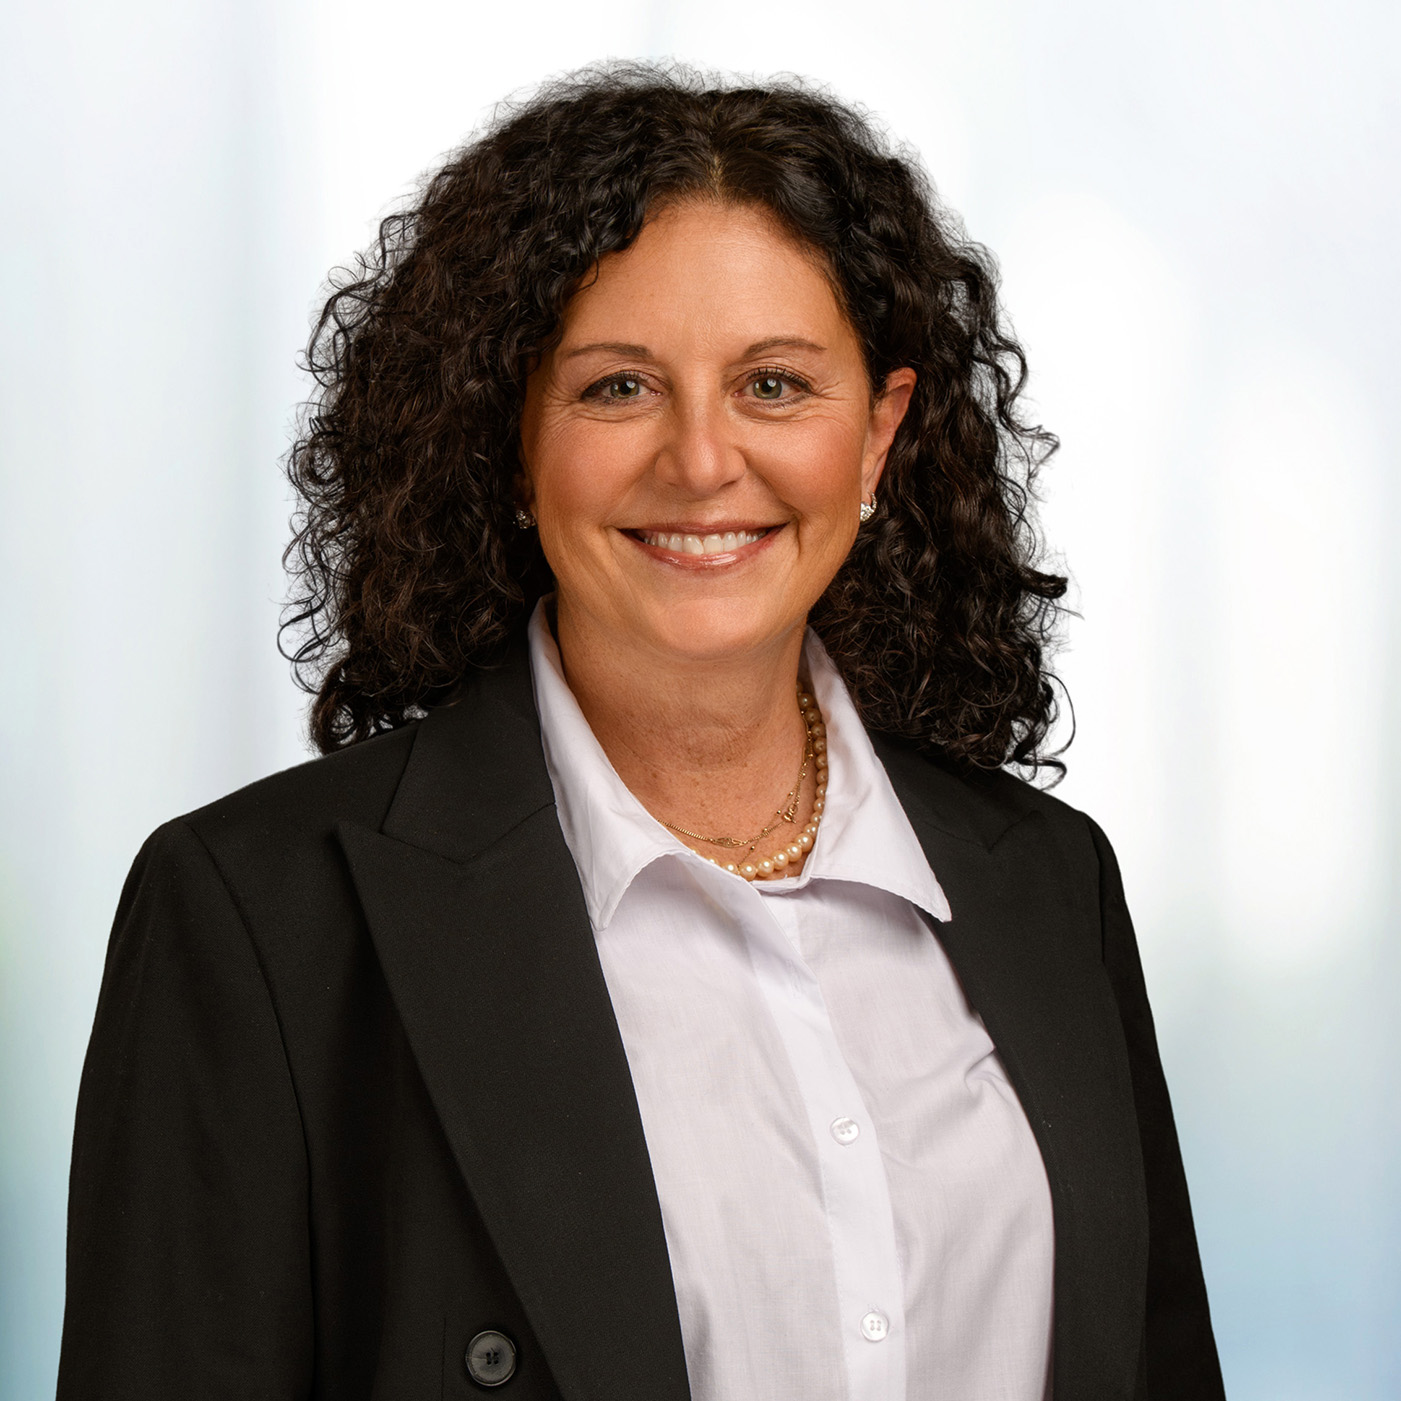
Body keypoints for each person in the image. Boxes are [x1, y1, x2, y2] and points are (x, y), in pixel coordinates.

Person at [58, 64, 1224, 1401]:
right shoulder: (258, 917)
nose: (701, 460)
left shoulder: (1044, 880)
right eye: (618, 388)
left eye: (775, 385)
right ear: (508, 437)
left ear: (876, 437)